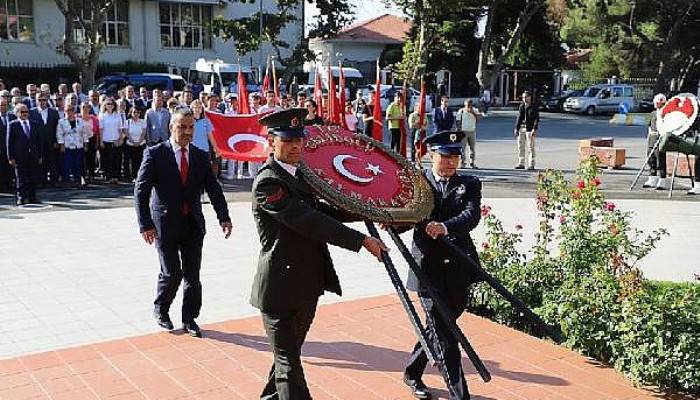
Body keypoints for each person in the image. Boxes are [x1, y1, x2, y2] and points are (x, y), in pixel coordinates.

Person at [250, 108, 387, 400]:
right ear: (271, 142)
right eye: (287, 141)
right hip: (279, 290)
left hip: (307, 285)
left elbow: (323, 211)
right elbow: (308, 220)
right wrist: (361, 240)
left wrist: (365, 210)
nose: (296, 146)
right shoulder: (268, 183)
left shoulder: (300, 176)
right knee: (289, 366)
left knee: (288, 359)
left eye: (299, 140)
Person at [396, 130, 482, 400]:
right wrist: (391, 221)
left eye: (455, 157)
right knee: (447, 333)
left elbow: (471, 215)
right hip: (427, 269)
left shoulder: (469, 184)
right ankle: (459, 394)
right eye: (445, 157)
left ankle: (412, 372)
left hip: (458, 266)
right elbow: (404, 216)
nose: (450, 163)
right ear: (431, 155)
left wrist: (444, 226)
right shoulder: (417, 183)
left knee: (442, 323)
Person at [134, 108, 232, 338]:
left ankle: (190, 319)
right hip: (164, 225)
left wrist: (223, 216)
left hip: (192, 225)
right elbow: (141, 191)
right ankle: (161, 308)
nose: (187, 132)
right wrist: (145, 224)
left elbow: (213, 188)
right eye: (182, 127)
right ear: (171, 127)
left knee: (192, 276)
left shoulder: (199, 156)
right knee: (171, 273)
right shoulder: (155, 154)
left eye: (191, 128)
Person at [7, 104, 42, 205]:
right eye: (22, 112)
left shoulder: (34, 124)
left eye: (26, 112)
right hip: (19, 156)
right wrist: (11, 157)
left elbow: (38, 141)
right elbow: (9, 142)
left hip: (33, 155)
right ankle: (21, 197)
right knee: (20, 178)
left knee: (33, 177)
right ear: (17, 113)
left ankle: (33, 197)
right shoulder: (13, 125)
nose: (25, 114)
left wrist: (40, 155)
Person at [30, 93, 60, 186]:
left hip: (51, 141)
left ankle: (53, 181)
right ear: (36, 101)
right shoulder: (32, 112)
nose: (42, 102)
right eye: (40, 100)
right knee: (40, 161)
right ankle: (41, 181)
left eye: (44, 100)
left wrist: (56, 141)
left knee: (52, 161)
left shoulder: (53, 112)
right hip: (38, 142)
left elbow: (57, 128)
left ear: (47, 101)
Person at [56, 104, 89, 188]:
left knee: (78, 163)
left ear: (74, 111)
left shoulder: (80, 121)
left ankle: (77, 180)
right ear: (65, 111)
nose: (69, 112)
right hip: (67, 145)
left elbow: (84, 133)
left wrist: (85, 144)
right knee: (67, 164)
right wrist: (62, 144)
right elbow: (59, 134)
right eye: (67, 110)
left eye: (71, 110)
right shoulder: (61, 121)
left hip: (78, 145)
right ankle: (66, 181)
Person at [643, 94, 669, 190]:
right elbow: (649, 126)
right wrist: (649, 137)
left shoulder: (666, 114)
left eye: (658, 103)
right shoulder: (653, 113)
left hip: (660, 138)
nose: (656, 104)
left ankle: (662, 180)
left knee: (661, 160)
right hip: (652, 138)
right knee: (651, 159)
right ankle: (652, 178)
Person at [99, 98, 124, 184]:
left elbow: (120, 129)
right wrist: (101, 141)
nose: (110, 105)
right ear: (105, 105)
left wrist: (120, 139)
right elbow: (101, 129)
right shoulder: (102, 115)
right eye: (108, 104)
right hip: (106, 140)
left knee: (117, 160)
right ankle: (109, 177)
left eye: (112, 104)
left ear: (114, 106)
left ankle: (116, 176)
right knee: (107, 160)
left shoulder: (117, 115)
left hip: (116, 140)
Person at [513, 91, 539, 170]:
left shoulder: (533, 107)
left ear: (530, 97)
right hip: (522, 128)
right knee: (520, 146)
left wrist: (534, 128)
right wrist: (516, 128)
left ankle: (531, 164)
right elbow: (519, 118)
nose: (524, 99)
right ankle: (521, 163)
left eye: (526, 97)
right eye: (523, 97)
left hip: (530, 129)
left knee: (530, 147)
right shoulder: (521, 106)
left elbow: (536, 119)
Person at [455, 99, 481, 168]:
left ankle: (472, 163)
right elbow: (458, 121)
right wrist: (459, 130)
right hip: (463, 132)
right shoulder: (461, 111)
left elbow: (479, 119)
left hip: (472, 131)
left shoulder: (475, 110)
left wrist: (473, 113)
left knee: (472, 148)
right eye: (467, 105)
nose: (468, 107)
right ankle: (463, 163)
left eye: (469, 105)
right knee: (462, 148)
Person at [124, 107, 147, 181]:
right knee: (132, 161)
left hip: (141, 144)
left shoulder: (143, 121)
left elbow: (143, 133)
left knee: (140, 161)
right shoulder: (127, 122)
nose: (136, 114)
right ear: (131, 113)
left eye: (138, 112)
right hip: (130, 144)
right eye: (134, 112)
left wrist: (139, 142)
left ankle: (140, 176)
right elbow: (127, 133)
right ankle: (134, 176)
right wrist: (133, 142)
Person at [79, 102, 99, 184]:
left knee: (91, 158)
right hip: (81, 140)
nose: (86, 109)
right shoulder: (77, 118)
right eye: (84, 107)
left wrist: (97, 142)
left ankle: (91, 175)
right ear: (81, 108)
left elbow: (97, 132)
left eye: (88, 107)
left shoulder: (93, 118)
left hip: (91, 139)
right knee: (82, 159)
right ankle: (83, 176)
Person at [0, 97, 18, 192]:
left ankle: (11, 184)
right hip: (1, 148)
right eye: (1, 105)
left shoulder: (12, 116)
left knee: (11, 167)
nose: (3, 107)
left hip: (11, 147)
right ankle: (3, 186)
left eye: (4, 105)